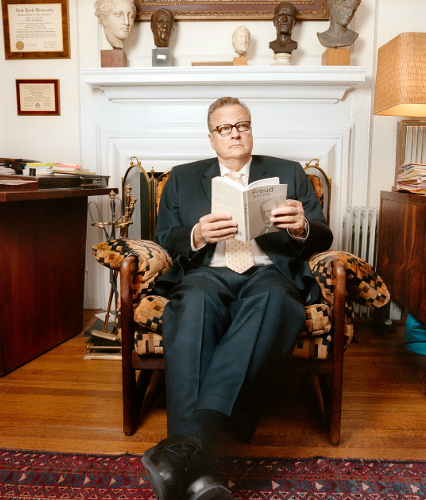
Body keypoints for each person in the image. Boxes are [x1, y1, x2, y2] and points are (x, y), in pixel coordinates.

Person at [141, 97, 333, 500]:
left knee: (276, 301)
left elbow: (323, 234)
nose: (235, 133)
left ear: (250, 130)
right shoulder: (182, 177)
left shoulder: (289, 172)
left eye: (242, 125)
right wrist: (197, 234)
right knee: (193, 305)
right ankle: (199, 466)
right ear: (211, 138)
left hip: (269, 273)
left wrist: (301, 227)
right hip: (207, 272)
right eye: (224, 128)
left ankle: (186, 451)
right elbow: (164, 239)